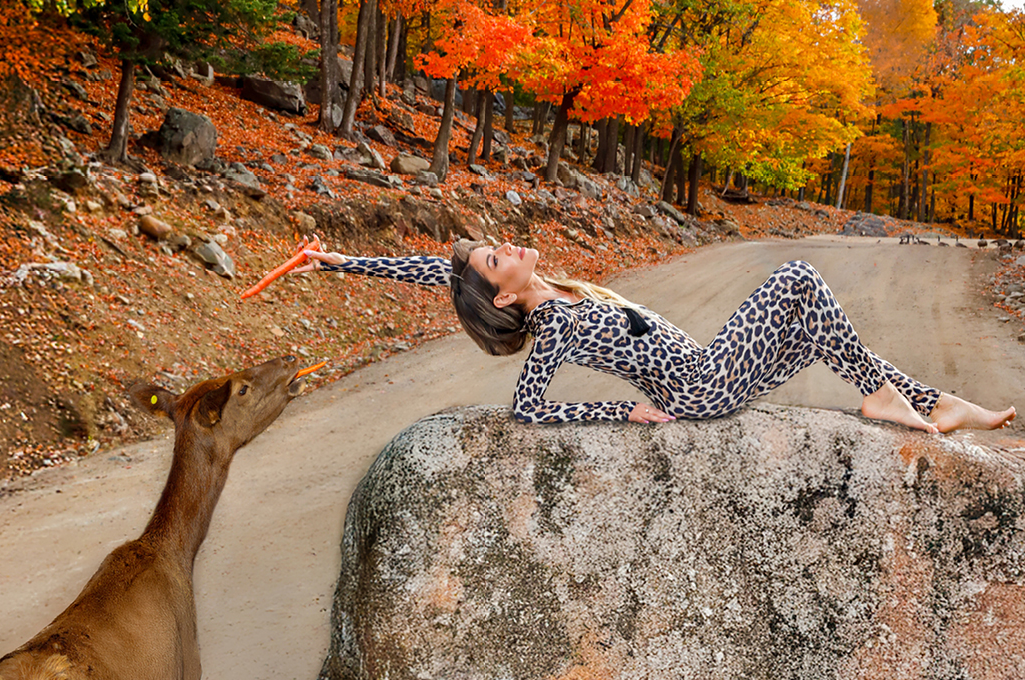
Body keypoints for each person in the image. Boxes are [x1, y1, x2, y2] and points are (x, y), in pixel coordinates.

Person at [294, 239, 1016, 434]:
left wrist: (333, 260)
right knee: (797, 279)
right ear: (504, 294)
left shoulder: (555, 292)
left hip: (705, 368)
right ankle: (887, 398)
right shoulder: (553, 323)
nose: (505, 246)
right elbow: (528, 410)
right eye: (494, 258)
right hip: (699, 387)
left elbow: (435, 269)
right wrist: (620, 410)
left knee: (815, 328)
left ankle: (937, 401)